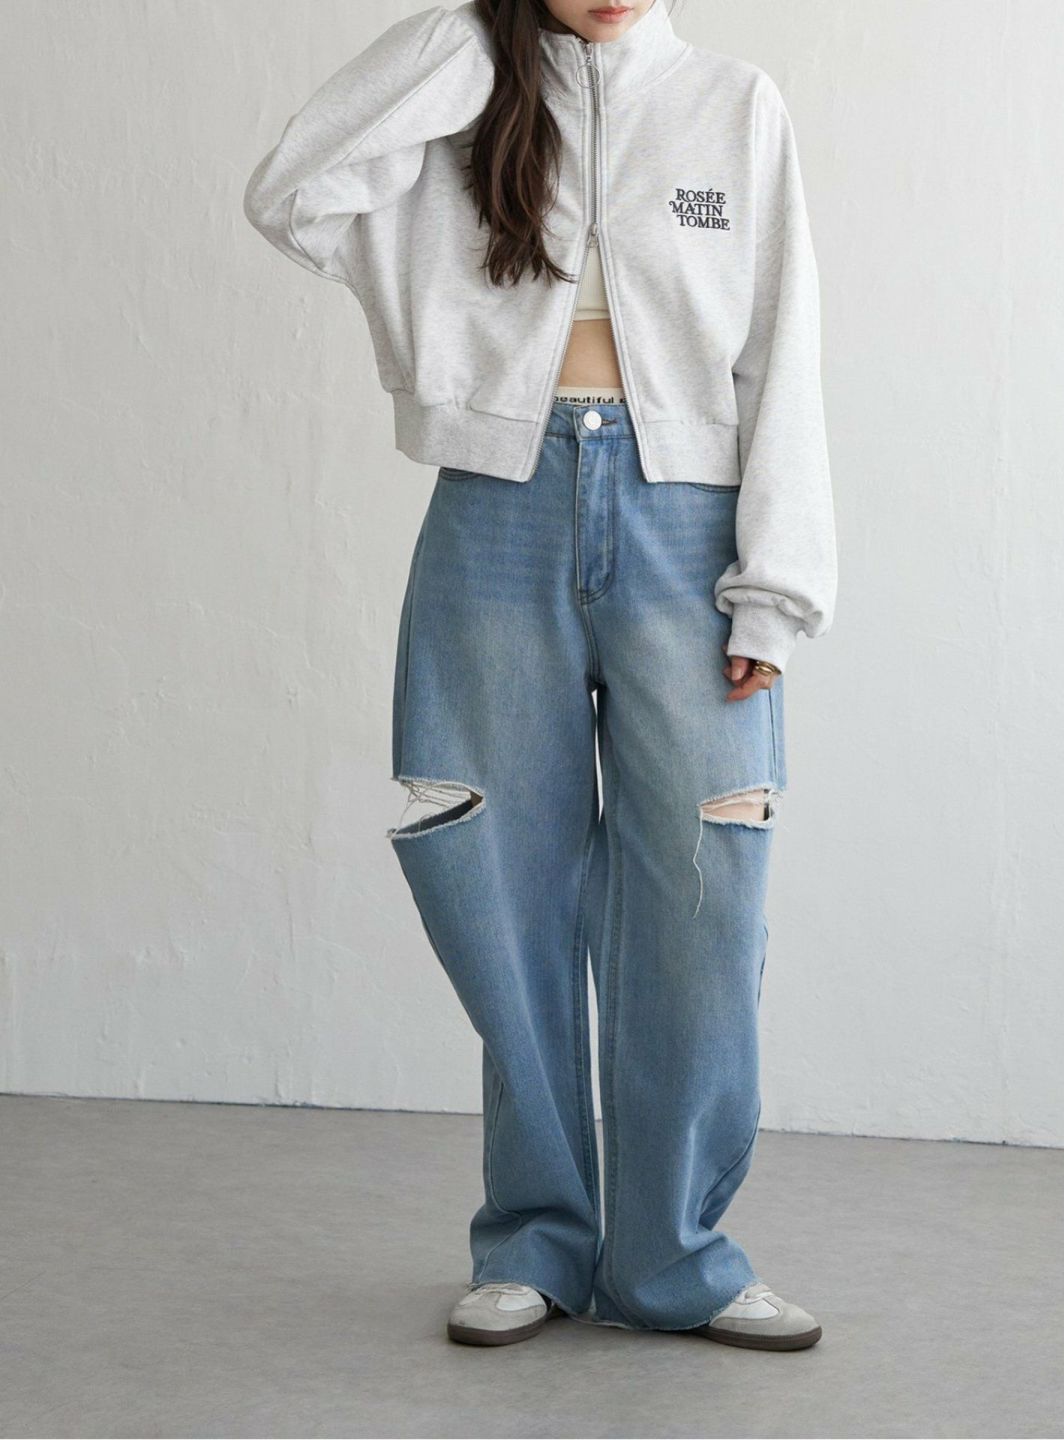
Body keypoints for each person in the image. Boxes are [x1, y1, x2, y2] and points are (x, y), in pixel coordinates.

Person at [243, 0, 837, 1351]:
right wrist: (473, 35)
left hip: (690, 528)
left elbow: (784, 345)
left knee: (705, 884)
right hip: (495, 507)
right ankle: (535, 1239)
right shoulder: (465, 90)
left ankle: (677, 1254)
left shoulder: (735, 105)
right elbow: (291, 192)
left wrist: (778, 584)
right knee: (498, 879)